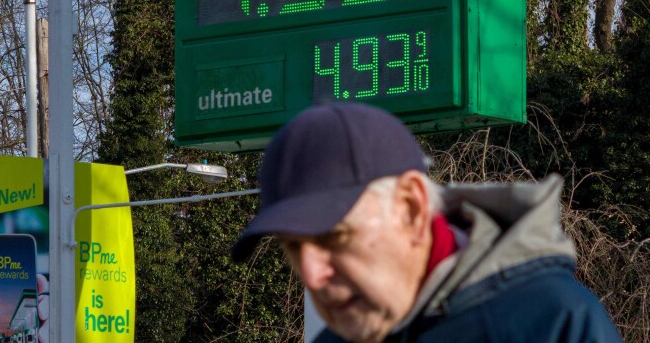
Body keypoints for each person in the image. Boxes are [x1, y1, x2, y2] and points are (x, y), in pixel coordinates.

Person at [232, 103, 622, 343]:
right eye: (295, 246)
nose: (313, 274)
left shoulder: (557, 324)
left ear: (411, 209)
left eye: (336, 236)